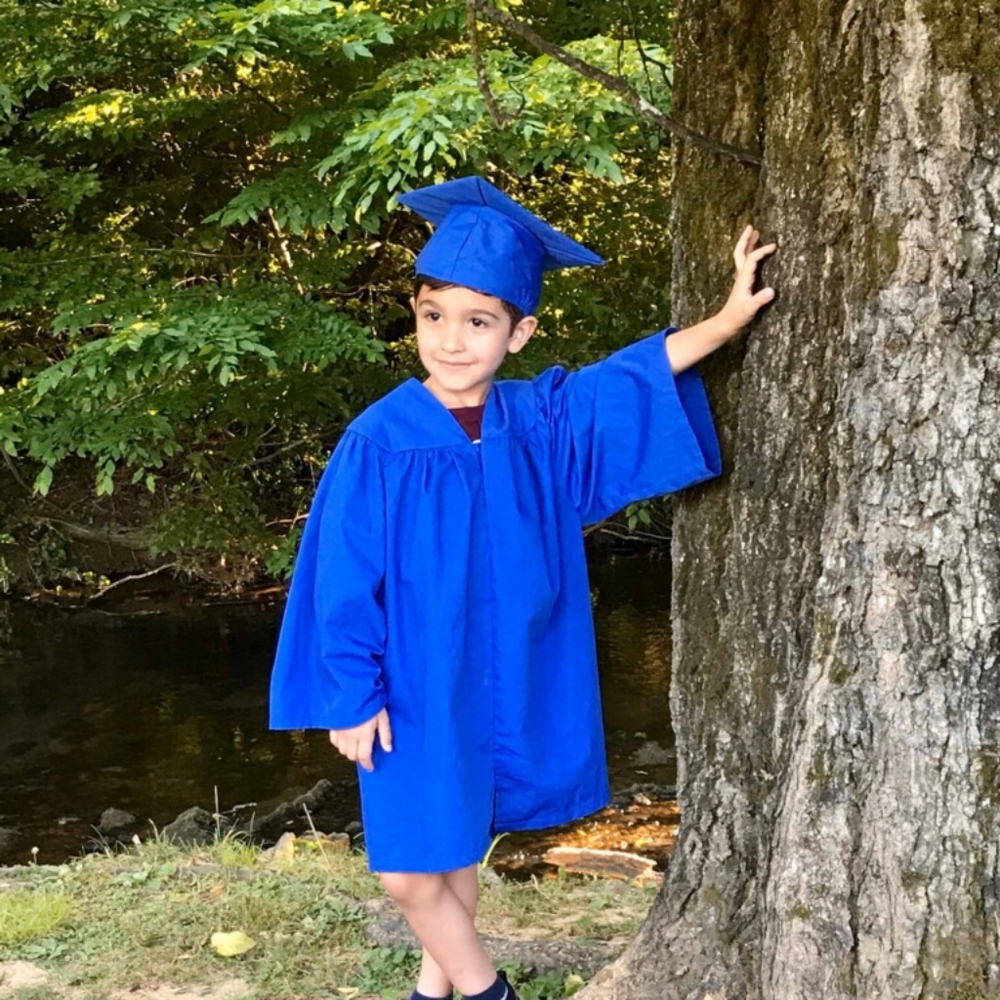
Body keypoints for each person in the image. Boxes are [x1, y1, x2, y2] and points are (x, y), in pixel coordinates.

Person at [270, 175, 777, 1000]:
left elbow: (624, 385)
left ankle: (432, 994)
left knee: (457, 845)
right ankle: (487, 990)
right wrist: (350, 694)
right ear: (415, 315)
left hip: (504, 667)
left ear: (520, 330)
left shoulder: (535, 422)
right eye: (434, 316)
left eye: (479, 321)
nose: (453, 340)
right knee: (407, 872)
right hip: (411, 684)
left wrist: (724, 320)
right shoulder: (380, 441)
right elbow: (341, 578)